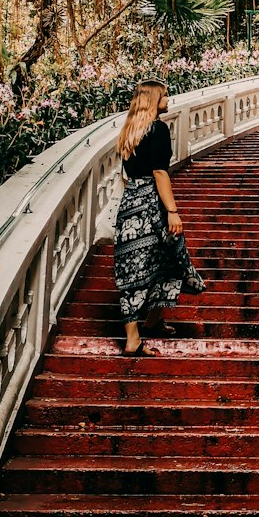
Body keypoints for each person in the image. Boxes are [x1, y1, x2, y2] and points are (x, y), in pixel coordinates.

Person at [113, 79, 206, 356]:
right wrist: (172, 212)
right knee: (173, 257)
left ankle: (144, 327)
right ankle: (141, 333)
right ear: (154, 100)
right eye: (165, 96)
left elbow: (130, 174)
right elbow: (160, 173)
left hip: (130, 203)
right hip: (152, 203)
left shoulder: (131, 130)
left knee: (132, 266)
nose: (169, 100)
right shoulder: (159, 129)